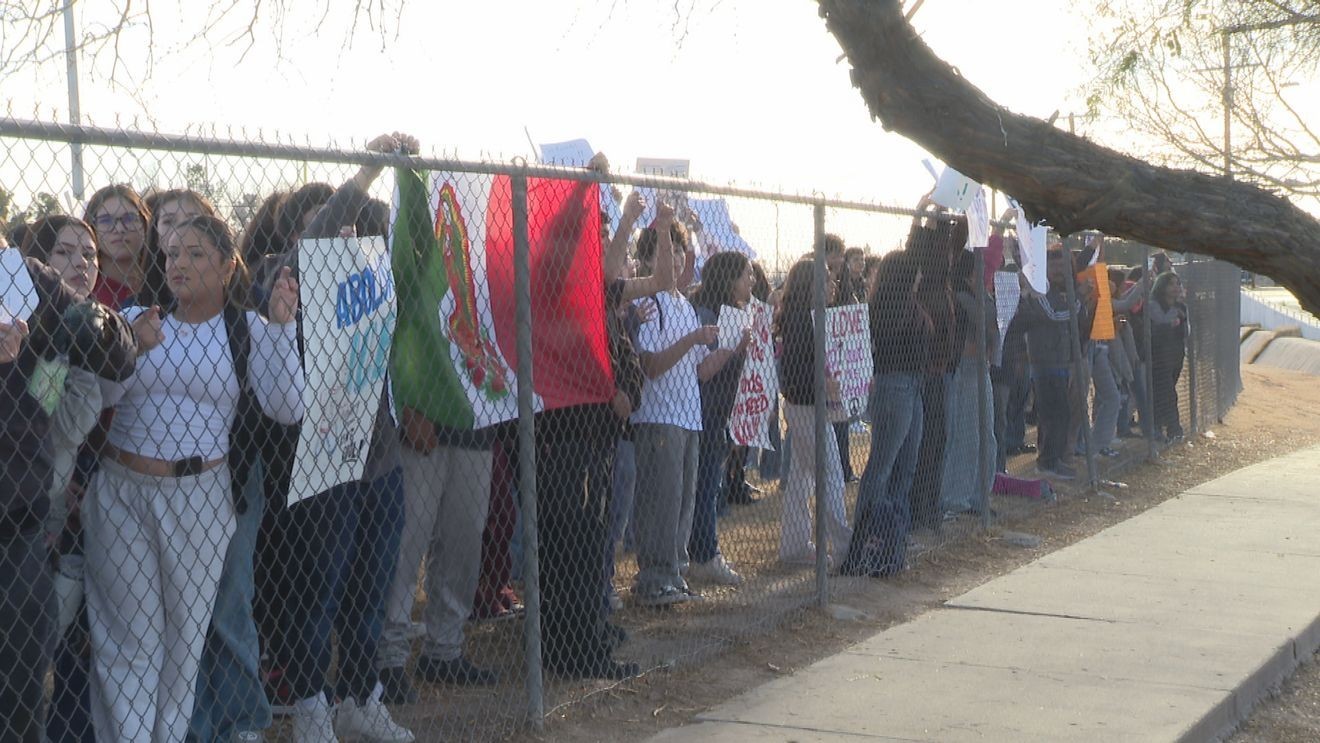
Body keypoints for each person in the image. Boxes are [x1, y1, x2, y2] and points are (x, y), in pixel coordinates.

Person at [83, 215, 304, 743]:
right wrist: (129, 348)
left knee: (185, 644)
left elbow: (287, 407)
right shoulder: (138, 316)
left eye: (196, 254)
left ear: (229, 265)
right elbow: (100, 402)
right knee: (127, 642)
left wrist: (279, 327)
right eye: (172, 253)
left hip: (202, 496)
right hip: (122, 491)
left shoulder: (246, 328)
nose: (178, 263)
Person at [256, 134, 416, 743]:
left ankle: (360, 696)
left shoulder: (374, 273)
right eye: (333, 223)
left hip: (378, 459)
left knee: (371, 590)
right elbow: (324, 229)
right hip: (322, 463)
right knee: (317, 591)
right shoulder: (282, 275)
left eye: (357, 226)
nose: (347, 234)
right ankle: (311, 703)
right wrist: (367, 173)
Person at [1, 231, 137, 743]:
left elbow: (119, 354)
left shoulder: (30, 280)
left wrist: (99, 327)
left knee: (21, 697)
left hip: (19, 525)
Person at [18, 217, 107, 743]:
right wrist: (88, 355)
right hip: (24, 516)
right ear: (37, 265)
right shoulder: (36, 331)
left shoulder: (87, 324)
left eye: (89, 254)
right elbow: (62, 422)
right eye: (65, 252)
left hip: (58, 514)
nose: (81, 263)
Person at [630, 211, 717, 606]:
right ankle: (654, 578)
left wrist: (731, 347)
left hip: (687, 416)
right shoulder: (649, 303)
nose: (677, 259)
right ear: (648, 260)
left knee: (683, 500)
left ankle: (674, 573)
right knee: (660, 503)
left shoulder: (685, 304)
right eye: (667, 251)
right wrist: (691, 338)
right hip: (658, 417)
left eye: (680, 251)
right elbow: (649, 364)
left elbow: (699, 369)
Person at [840, 251, 930, 577]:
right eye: (916, 274)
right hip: (894, 390)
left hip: (913, 388)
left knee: (905, 467)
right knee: (881, 467)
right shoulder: (881, 310)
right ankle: (865, 540)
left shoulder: (909, 305)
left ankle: (892, 536)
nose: (920, 278)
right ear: (905, 276)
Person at [775, 257, 852, 564]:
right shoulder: (799, 319)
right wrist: (824, 382)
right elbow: (793, 373)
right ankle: (844, 546)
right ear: (811, 286)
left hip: (807, 405)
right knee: (830, 472)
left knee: (801, 476)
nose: (833, 285)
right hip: (805, 406)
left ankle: (794, 546)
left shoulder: (811, 316)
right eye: (826, 280)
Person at [686, 250, 753, 587]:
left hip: (720, 414)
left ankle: (699, 551)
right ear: (729, 279)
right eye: (746, 274)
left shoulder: (736, 314)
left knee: (709, 486)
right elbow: (703, 370)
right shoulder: (707, 314)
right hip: (703, 413)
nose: (752, 281)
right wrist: (734, 346)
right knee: (705, 487)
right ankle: (704, 554)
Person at [1017, 249, 1093, 481]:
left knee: (1062, 413)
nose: (1059, 271)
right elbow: (1055, 315)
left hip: (1062, 360)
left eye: (1062, 266)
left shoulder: (1061, 292)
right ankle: (1048, 462)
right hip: (1045, 362)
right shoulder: (1040, 291)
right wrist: (1078, 298)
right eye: (1054, 267)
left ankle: (1057, 459)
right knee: (1053, 414)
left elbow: (1075, 320)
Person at [937, 250, 998, 518]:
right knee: (966, 438)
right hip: (966, 369)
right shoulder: (960, 297)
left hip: (981, 368)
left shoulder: (979, 295)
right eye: (976, 269)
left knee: (988, 438)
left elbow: (994, 325)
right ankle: (956, 498)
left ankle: (978, 496)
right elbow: (984, 323)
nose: (981, 274)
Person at [83, 184, 151, 309]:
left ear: (144, 223)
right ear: (92, 228)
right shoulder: (86, 292)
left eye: (129, 219)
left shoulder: (163, 284)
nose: (119, 229)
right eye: (105, 220)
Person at [1148, 271, 1188, 443]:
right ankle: (1172, 429)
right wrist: (1174, 314)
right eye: (1171, 284)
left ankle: (1166, 427)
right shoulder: (1154, 304)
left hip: (1176, 355)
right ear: (1162, 286)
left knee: (1169, 390)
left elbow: (1184, 331)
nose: (1176, 288)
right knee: (1166, 393)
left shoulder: (1182, 307)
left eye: (1178, 284)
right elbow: (1161, 323)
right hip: (1158, 355)